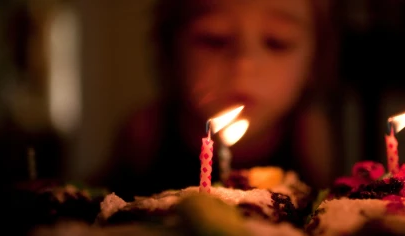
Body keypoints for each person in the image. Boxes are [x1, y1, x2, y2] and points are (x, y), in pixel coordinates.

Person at [90, 0, 343, 200]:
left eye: (277, 41)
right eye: (214, 38)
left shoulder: (312, 138)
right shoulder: (144, 134)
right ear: (170, 51)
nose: (244, 63)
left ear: (314, 62)